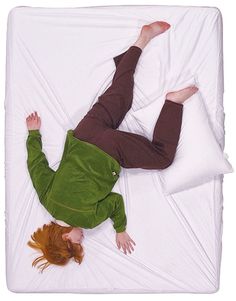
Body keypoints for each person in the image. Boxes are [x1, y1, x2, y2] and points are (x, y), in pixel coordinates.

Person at [26, 21, 198, 272]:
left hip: (110, 150)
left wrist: (120, 229)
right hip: (84, 134)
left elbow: (115, 201)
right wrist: (33, 134)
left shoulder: (89, 219)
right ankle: (142, 40)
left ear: (64, 237)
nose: (82, 241)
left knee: (163, 158)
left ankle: (173, 103)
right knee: (121, 94)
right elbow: (35, 165)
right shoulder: (47, 200)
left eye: (77, 245)